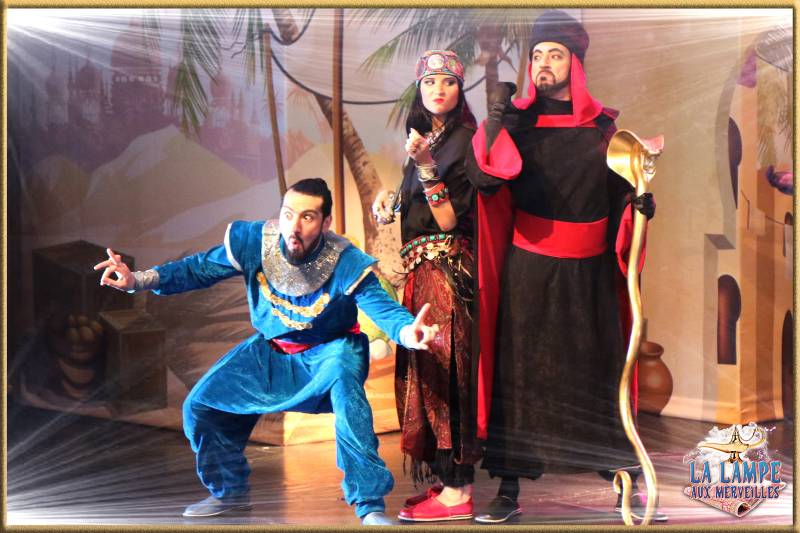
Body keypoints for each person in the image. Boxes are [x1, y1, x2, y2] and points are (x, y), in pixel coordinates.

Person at [94, 178, 439, 526]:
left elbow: (382, 307)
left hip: (331, 352)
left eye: (307, 217)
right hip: (271, 352)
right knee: (200, 407)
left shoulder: (345, 261)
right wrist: (137, 280)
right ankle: (229, 494)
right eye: (288, 214)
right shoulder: (255, 242)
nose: (295, 226)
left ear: (326, 223)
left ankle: (370, 506)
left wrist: (408, 332)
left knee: (351, 407)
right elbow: (198, 268)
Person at [463, 10, 664, 523]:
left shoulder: (604, 130)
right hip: (529, 270)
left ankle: (624, 479)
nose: (543, 64)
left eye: (555, 54)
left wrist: (638, 206)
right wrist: (496, 119)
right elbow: (484, 179)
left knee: (600, 371)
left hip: (589, 274)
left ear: (575, 63)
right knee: (521, 375)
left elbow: (619, 196)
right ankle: (508, 487)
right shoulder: (515, 124)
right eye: (537, 55)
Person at [372, 50, 480, 522]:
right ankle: (445, 480)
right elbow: (417, 207)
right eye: (430, 81)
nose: (439, 89)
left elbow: (450, 219)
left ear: (460, 89)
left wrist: (427, 167)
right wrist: (390, 199)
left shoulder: (466, 140)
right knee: (427, 373)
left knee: (447, 372)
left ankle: (459, 491)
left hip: (447, 274)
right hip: (422, 273)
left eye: (448, 81)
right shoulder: (425, 138)